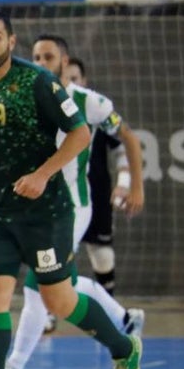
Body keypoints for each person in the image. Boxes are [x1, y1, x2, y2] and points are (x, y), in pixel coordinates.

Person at [0, 9, 142, 369]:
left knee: (59, 300)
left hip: (45, 210)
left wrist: (42, 174)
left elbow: (80, 134)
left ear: (11, 42)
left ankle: (123, 347)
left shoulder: (37, 82)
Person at [3, 35, 146, 369]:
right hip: (37, 208)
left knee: (38, 287)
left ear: (64, 62)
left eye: (48, 56)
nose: (40, 61)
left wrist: (135, 185)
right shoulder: (26, 99)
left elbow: (128, 137)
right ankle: (123, 319)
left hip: (72, 208)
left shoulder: (88, 101)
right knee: (58, 285)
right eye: (35, 56)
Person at [70, 57, 132, 295]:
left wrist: (124, 184)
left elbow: (124, 146)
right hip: (61, 194)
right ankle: (48, 316)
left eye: (75, 78)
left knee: (101, 253)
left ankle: (110, 309)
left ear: (83, 80)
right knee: (53, 257)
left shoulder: (92, 106)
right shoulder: (46, 106)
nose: (70, 82)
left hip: (95, 191)